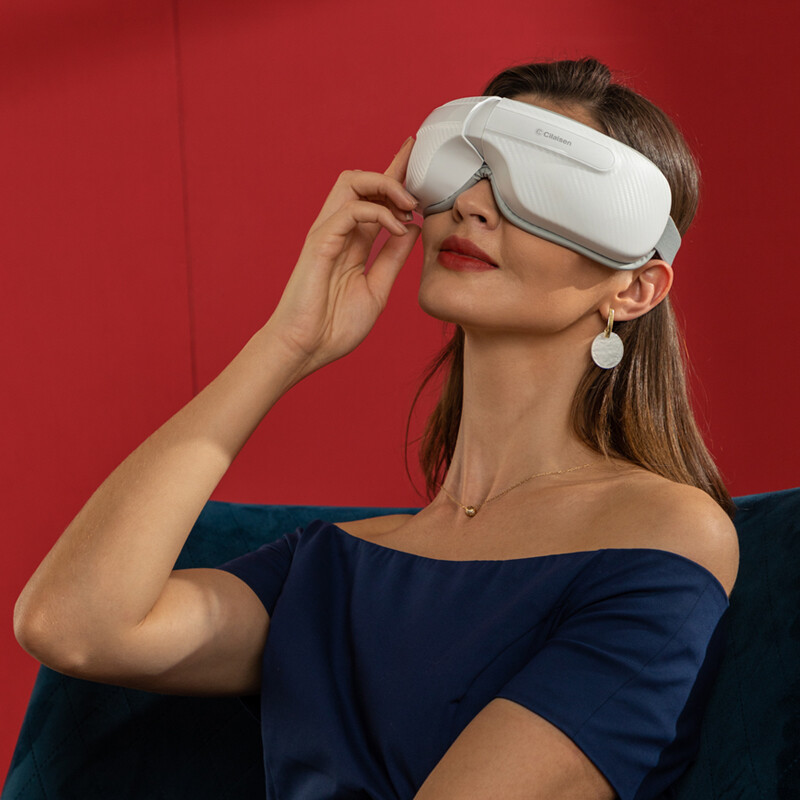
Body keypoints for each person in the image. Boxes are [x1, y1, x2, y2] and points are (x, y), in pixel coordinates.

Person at [14, 57, 739, 800]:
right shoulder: (331, 567)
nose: (472, 205)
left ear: (636, 287)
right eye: (468, 166)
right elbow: (73, 626)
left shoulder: (665, 531)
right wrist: (287, 344)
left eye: (547, 186)